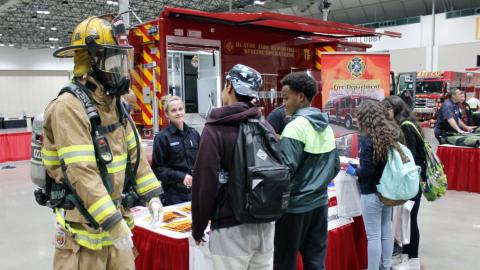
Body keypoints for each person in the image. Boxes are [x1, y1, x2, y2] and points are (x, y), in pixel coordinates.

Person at [43, 15, 163, 270]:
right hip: (82, 239)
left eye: (123, 61)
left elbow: (136, 157)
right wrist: (113, 221)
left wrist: (152, 196)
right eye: (114, 60)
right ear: (92, 61)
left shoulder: (115, 106)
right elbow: (81, 172)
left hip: (116, 228)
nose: (121, 70)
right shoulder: (68, 107)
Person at [191, 64, 275, 269]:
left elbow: (205, 183)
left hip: (230, 227)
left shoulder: (216, 129)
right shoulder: (264, 125)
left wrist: (199, 227)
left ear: (229, 87)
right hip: (265, 225)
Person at [274, 72, 340, 270]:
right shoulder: (326, 127)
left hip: (295, 208)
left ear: (300, 97)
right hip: (320, 204)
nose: (283, 103)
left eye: (286, 98)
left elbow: (285, 172)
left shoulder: (294, 128)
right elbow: (335, 166)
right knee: (315, 262)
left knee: (285, 263)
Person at [346, 99, 401, 270]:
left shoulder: (367, 139)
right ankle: (385, 266)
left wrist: (354, 171)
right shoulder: (388, 134)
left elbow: (367, 170)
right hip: (387, 191)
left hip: (371, 192)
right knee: (386, 230)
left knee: (374, 236)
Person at [383, 96, 426, 270]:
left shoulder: (406, 128)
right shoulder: (405, 125)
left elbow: (410, 159)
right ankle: (404, 256)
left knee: (410, 219)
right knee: (404, 220)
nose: (385, 113)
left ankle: (413, 259)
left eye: (387, 108)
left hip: (410, 182)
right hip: (410, 181)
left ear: (396, 109)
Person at [151, 95, 200, 205]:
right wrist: (181, 177)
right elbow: (158, 169)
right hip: (174, 196)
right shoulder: (162, 138)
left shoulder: (194, 134)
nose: (178, 113)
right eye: (173, 110)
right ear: (167, 114)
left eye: (180, 109)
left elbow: (202, 160)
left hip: (196, 192)